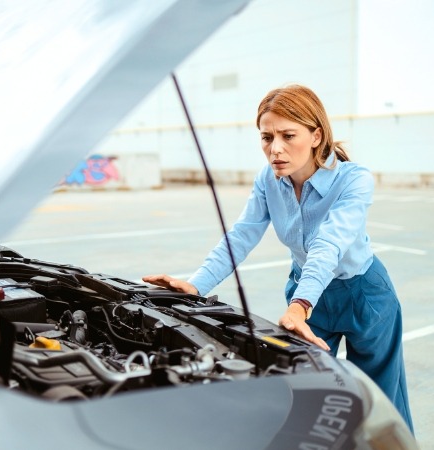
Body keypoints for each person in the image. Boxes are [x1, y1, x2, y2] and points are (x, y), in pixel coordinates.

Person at [142, 84, 414, 433]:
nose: (275, 149)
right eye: (266, 137)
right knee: (307, 391)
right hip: (307, 293)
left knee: (381, 397)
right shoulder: (268, 180)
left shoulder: (354, 180)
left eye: (288, 135)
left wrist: (301, 303)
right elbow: (241, 235)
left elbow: (328, 244)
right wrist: (197, 284)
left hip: (364, 295)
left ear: (316, 135)